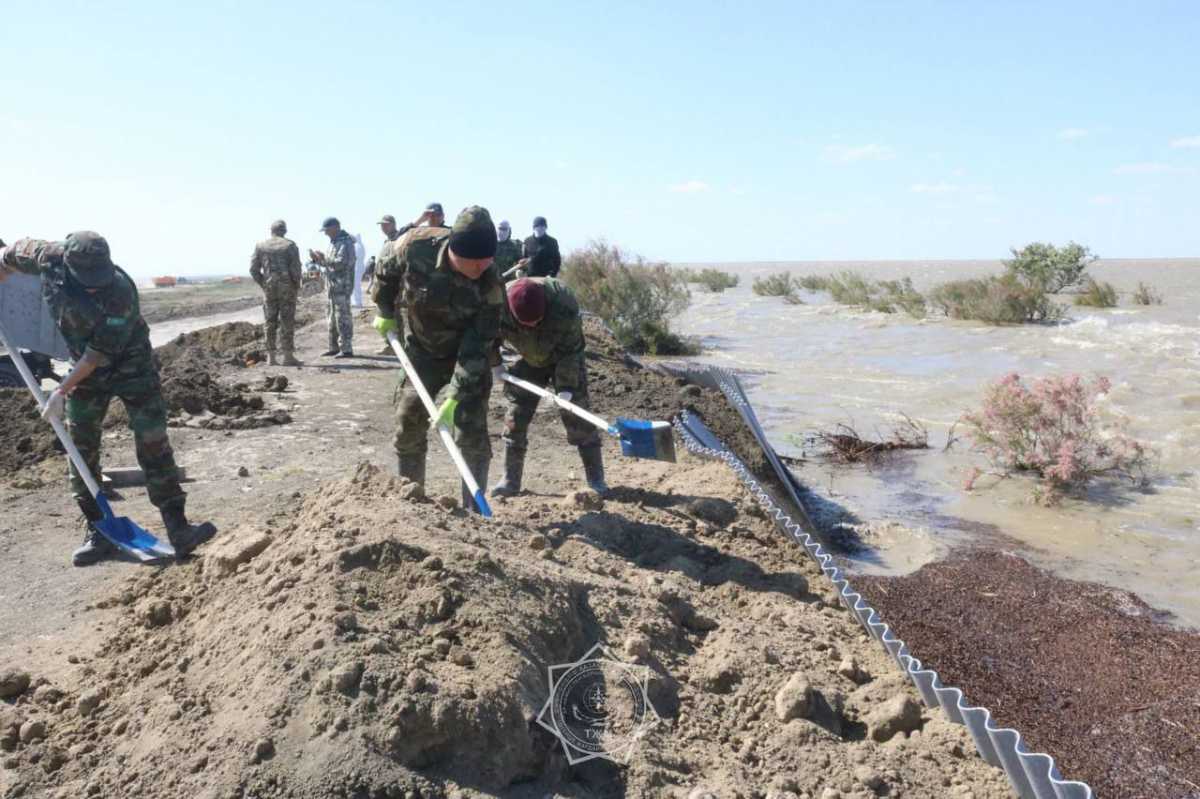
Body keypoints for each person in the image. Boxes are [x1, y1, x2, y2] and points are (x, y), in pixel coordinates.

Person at [0, 232, 217, 565]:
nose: (93, 287)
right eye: (86, 281)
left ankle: (178, 527)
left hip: (131, 366)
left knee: (152, 438)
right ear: (66, 263)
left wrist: (60, 390)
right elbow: (8, 258)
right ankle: (98, 530)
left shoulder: (120, 292)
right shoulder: (45, 256)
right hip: (84, 369)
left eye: (97, 280)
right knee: (80, 446)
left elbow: (95, 356)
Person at [371, 206, 502, 513]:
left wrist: (455, 395)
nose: (481, 268)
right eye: (474, 263)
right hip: (422, 352)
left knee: (470, 430)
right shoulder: (415, 246)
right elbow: (385, 270)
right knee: (408, 422)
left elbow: (477, 346)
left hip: (466, 356)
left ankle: (475, 512)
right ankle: (412, 504)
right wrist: (384, 310)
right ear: (454, 251)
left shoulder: (491, 283)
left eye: (487, 262)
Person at [491, 277, 608, 497]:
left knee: (578, 415)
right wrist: (495, 364)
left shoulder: (563, 304)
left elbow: (573, 348)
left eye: (537, 321)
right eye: (526, 324)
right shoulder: (496, 304)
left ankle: (596, 480)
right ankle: (510, 480)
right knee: (516, 415)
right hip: (529, 359)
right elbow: (487, 337)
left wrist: (565, 387)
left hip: (563, 356)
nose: (533, 326)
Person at [249, 220, 303, 366]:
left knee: (269, 322)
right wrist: (296, 286)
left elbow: (253, 269)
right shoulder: (290, 245)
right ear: (284, 231)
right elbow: (296, 269)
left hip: (269, 289)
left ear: (271, 230)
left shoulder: (260, 246)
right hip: (287, 289)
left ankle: (271, 358)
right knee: (287, 321)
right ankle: (287, 356)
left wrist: (264, 283)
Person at [308, 217, 355, 358]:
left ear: (335, 227)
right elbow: (329, 265)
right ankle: (334, 347)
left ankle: (346, 349)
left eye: (327, 230)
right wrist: (318, 259)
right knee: (332, 318)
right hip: (333, 287)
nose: (325, 233)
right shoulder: (334, 243)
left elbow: (341, 263)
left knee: (343, 317)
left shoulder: (346, 243)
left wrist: (324, 258)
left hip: (342, 286)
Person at [352, 233, 367, 308]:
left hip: (357, 268)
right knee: (355, 285)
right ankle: (355, 301)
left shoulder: (357, 246)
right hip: (357, 267)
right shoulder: (360, 245)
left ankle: (358, 302)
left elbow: (355, 257)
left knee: (356, 285)